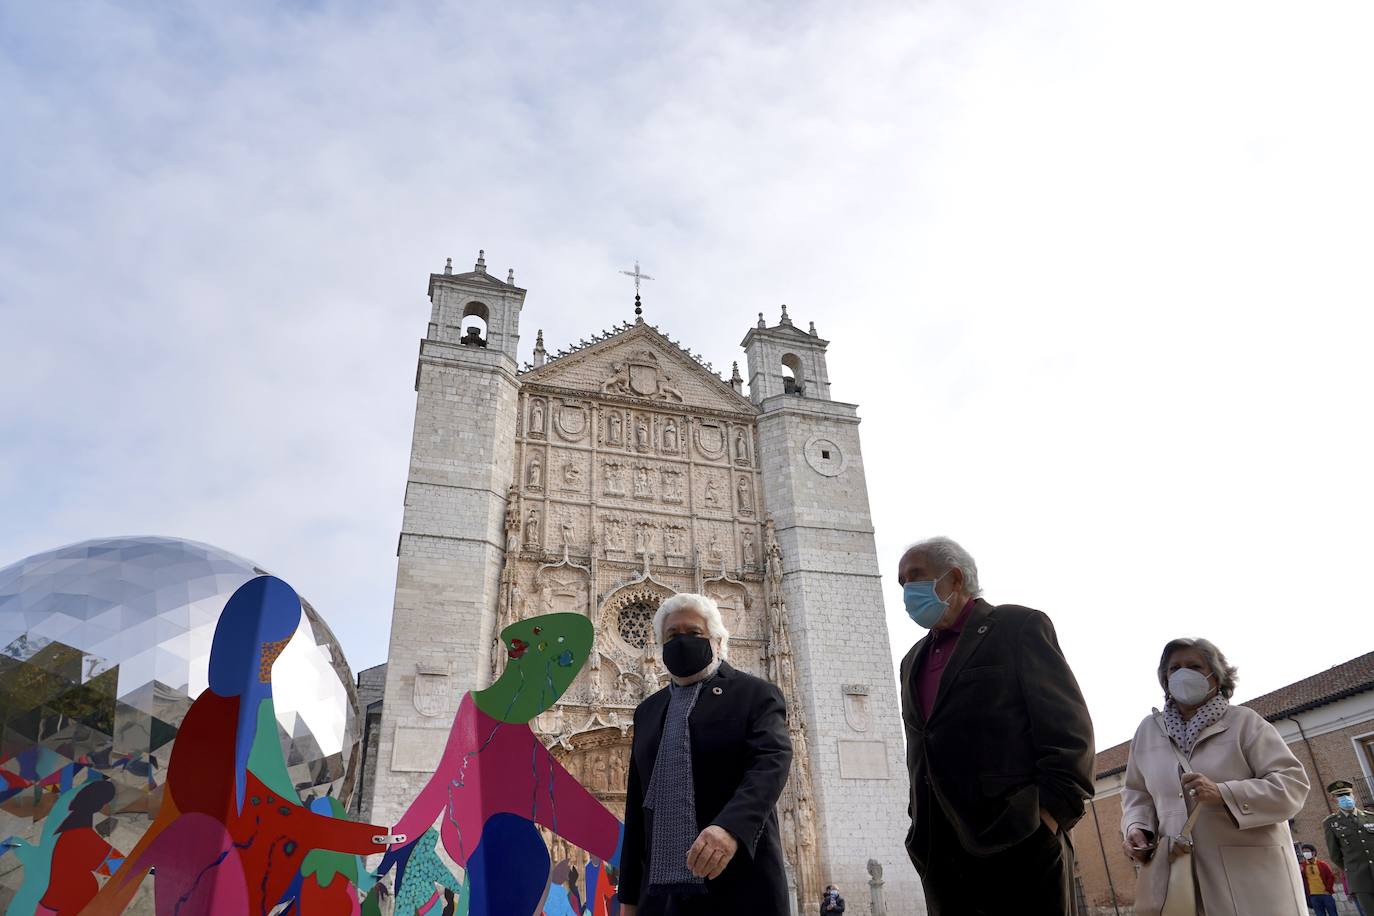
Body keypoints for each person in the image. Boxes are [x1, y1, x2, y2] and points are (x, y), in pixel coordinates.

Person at [896, 537, 1094, 915]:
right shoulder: (912, 661)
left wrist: (1047, 817)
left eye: (915, 577)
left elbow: (1069, 733)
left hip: (1018, 840)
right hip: (939, 852)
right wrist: (918, 823)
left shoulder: (1016, 627)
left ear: (954, 579)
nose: (907, 590)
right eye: (902, 582)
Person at [618, 593, 793, 915]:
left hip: (739, 884)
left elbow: (771, 762)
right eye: (672, 635)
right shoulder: (648, 710)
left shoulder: (754, 694)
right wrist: (628, 898)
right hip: (659, 897)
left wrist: (730, 827)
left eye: (694, 633)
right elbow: (636, 809)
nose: (682, 641)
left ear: (716, 639)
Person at [1121, 637, 1309, 915]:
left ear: (1215, 676)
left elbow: (1292, 785)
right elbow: (1137, 793)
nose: (1183, 673)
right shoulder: (1148, 731)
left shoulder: (1245, 722)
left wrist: (1225, 793)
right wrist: (1137, 827)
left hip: (1251, 879)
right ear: (1164, 678)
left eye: (1194, 666)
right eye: (1175, 668)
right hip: (1178, 879)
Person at [1324, 779, 1374, 914]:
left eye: (1347, 794)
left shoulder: (1370, 817)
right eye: (1340, 796)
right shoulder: (1331, 823)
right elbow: (1335, 855)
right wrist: (1352, 868)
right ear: (1334, 800)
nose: (1345, 798)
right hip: (1359, 879)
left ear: (1353, 796)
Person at [1296, 842, 1338, 916]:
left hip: (1326, 894)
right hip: (1313, 896)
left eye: (1307, 851)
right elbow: (1301, 880)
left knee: (1333, 913)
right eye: (1304, 852)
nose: (1305, 853)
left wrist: (1328, 889)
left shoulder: (1322, 864)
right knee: (1319, 914)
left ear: (1313, 852)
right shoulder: (1303, 866)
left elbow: (1331, 877)